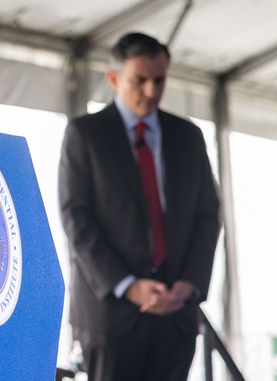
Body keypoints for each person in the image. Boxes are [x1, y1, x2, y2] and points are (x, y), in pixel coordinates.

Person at [58, 32, 221, 381]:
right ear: (114, 78)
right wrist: (127, 284)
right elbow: (76, 218)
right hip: (111, 316)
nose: (151, 91)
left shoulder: (188, 137)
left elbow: (208, 216)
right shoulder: (85, 134)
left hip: (176, 315)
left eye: (159, 80)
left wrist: (189, 284)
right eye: (140, 80)